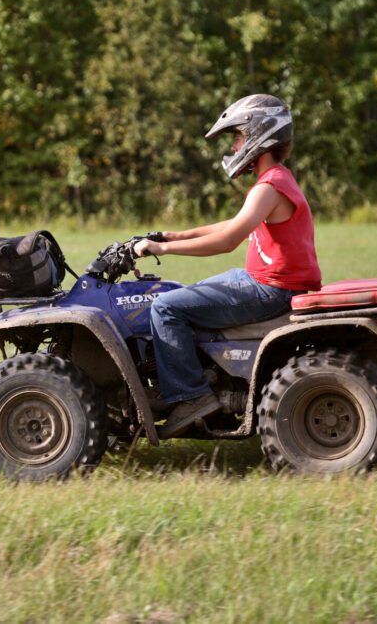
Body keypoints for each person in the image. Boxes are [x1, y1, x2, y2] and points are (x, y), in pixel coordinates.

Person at [132, 94, 322, 437]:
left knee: (165, 308)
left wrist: (161, 247)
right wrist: (175, 234)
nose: (234, 147)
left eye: (237, 137)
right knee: (181, 294)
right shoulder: (276, 180)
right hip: (265, 280)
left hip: (271, 288)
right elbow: (231, 224)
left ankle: (192, 398)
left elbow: (227, 240)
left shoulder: (269, 187)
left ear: (258, 136)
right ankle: (211, 386)